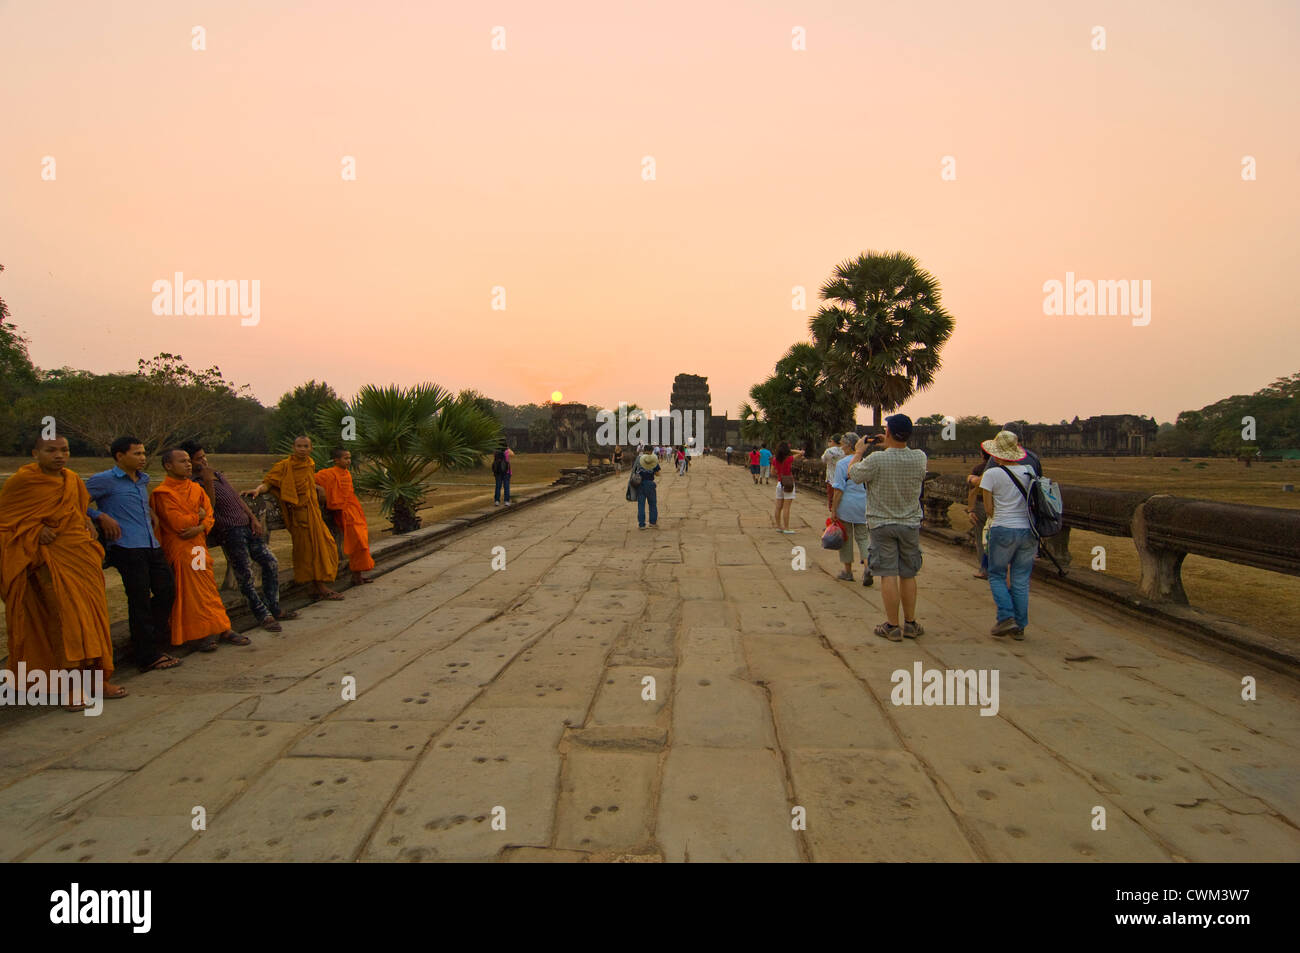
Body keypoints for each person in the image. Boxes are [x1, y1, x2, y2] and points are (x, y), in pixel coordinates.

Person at [1, 435, 127, 705]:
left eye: (64, 450)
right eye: (51, 450)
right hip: (50, 559)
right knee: (65, 621)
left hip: (81, 556)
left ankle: (97, 679)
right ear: (36, 453)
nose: (59, 455)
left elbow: (76, 509)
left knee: (93, 618)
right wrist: (34, 529)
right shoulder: (22, 481)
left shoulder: (71, 479)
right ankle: (67, 686)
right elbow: (5, 521)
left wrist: (86, 520)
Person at [85, 436, 181, 672]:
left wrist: (149, 510)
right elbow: (73, 500)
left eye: (144, 453)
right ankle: (146, 655)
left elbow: (137, 503)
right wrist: (99, 516)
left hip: (150, 543)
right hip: (126, 547)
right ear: (119, 456)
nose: (143, 458)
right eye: (137, 454)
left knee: (167, 590)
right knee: (138, 599)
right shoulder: (104, 481)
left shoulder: (142, 480)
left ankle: (150, 642)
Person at [181, 440, 295, 632]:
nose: (204, 461)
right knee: (245, 574)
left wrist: (252, 518)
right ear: (190, 462)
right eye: (199, 458)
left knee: (270, 562)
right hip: (229, 530)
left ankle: (273, 607)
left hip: (246, 524)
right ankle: (262, 614)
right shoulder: (194, 483)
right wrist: (207, 480)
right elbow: (209, 506)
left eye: (204, 456)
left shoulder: (217, 474)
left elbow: (235, 498)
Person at [151, 448, 248, 651]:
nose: (188, 464)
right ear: (168, 466)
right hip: (181, 549)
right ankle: (200, 634)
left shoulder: (196, 489)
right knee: (190, 594)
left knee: (208, 590)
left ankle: (222, 627)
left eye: (188, 461)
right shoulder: (163, 493)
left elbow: (210, 515)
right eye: (182, 461)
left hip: (197, 547)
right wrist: (199, 516)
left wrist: (202, 525)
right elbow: (178, 523)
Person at [847, 414, 927, 642]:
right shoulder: (920, 457)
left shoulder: (877, 460)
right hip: (910, 523)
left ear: (888, 432)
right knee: (908, 573)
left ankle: (892, 626)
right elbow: (905, 460)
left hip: (882, 523)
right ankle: (910, 623)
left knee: (888, 573)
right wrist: (891, 443)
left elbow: (852, 474)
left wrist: (859, 452)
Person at [251, 436, 341, 601]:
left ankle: (317, 586)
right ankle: (318, 586)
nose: (302, 449)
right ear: (293, 447)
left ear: (310, 448)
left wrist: (317, 489)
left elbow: (306, 484)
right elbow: (269, 482)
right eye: (299, 446)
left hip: (313, 513)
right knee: (307, 552)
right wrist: (258, 490)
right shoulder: (285, 466)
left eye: (305, 446)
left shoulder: (310, 464)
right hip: (299, 516)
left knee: (326, 545)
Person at [979, 431, 1039, 640]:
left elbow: (988, 509)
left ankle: (1006, 617)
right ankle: (1020, 626)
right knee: (1021, 579)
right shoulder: (1030, 471)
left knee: (996, 574)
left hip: (1003, 528)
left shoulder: (991, 475)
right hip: (1029, 531)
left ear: (996, 454)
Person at [316, 448, 376, 585]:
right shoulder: (327, 474)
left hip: (354, 511)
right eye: (345, 458)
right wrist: (320, 489)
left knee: (361, 542)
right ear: (336, 460)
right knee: (356, 542)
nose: (348, 461)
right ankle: (356, 575)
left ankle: (357, 574)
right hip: (342, 512)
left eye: (349, 458)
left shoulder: (347, 474)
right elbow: (309, 480)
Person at [830, 432, 872, 586]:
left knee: (846, 537)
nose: (841, 447)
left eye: (842, 444)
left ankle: (848, 571)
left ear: (849, 445)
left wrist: (834, 509)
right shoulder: (866, 461)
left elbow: (838, 489)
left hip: (846, 504)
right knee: (863, 537)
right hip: (863, 503)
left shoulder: (842, 464)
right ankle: (868, 567)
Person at [965, 447, 993, 579]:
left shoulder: (979, 469)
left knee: (982, 538)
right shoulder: (1002, 469)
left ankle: (984, 569)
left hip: (982, 506)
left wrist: (971, 509)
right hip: (1001, 508)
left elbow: (972, 491)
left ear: (982, 455)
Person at [770, 441, 806, 533]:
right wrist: (790, 450)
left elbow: (772, 472)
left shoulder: (775, 460)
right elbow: (801, 453)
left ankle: (779, 526)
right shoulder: (789, 459)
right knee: (786, 507)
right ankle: (786, 528)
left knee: (778, 506)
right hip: (788, 482)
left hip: (779, 482)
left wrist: (779, 473)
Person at [633, 447, 661, 529]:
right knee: (652, 504)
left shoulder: (639, 459)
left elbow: (634, 471)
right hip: (650, 484)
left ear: (644, 450)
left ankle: (641, 524)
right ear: (652, 451)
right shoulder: (654, 460)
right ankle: (652, 522)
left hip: (640, 484)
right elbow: (657, 474)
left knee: (641, 505)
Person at [821, 436, 846, 510]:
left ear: (834, 442)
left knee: (832, 500)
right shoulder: (845, 450)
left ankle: (833, 515)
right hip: (843, 478)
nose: (829, 443)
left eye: (830, 441)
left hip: (831, 479)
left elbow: (823, 459)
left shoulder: (829, 451)